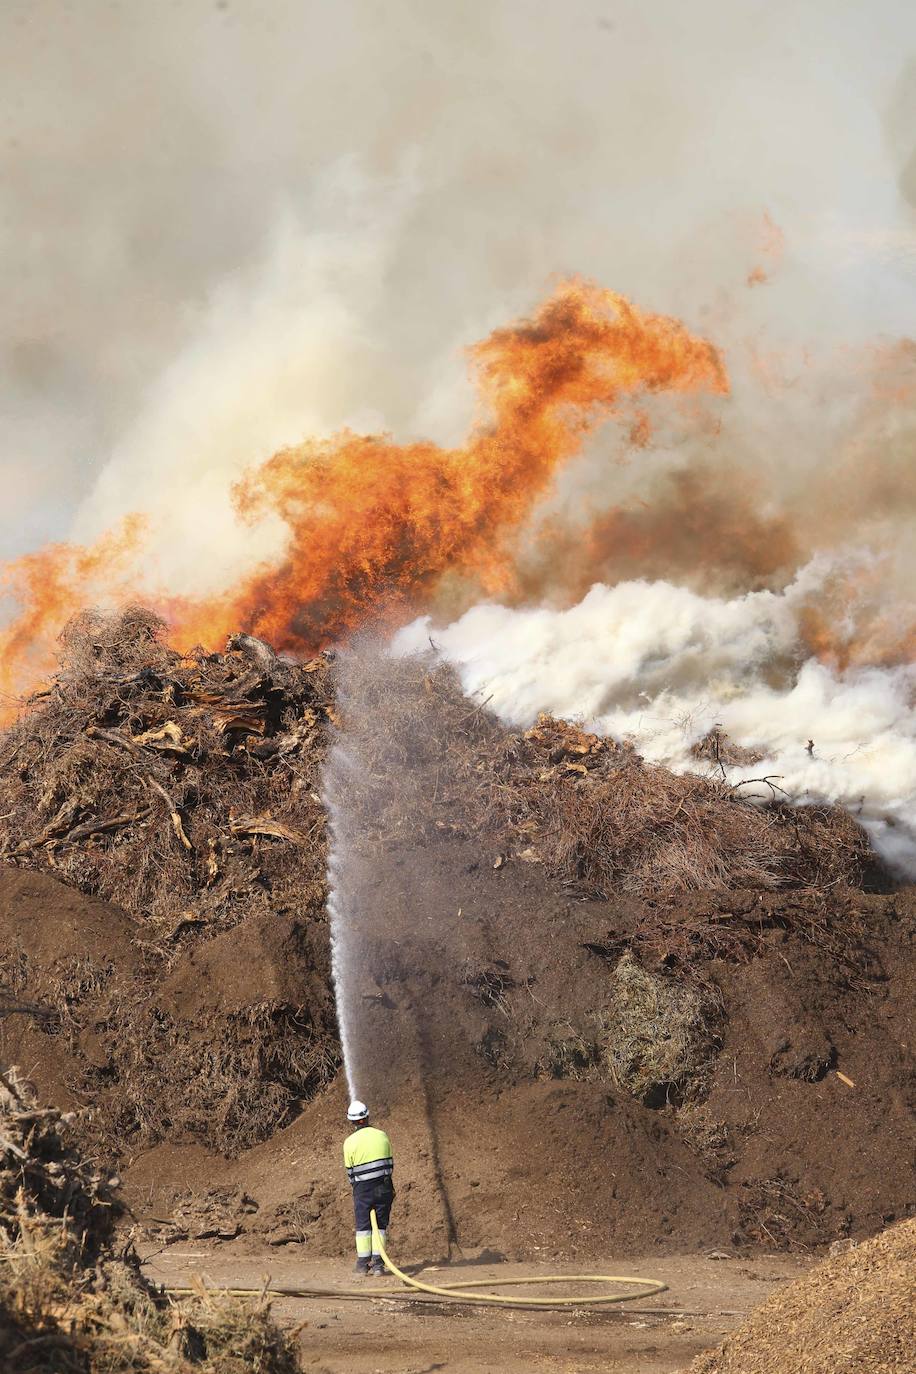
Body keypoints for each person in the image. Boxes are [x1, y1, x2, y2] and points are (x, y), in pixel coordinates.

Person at [343, 1099, 394, 1276]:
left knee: (363, 1227)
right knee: (380, 1226)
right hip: (384, 1186)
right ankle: (379, 1265)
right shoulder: (382, 1135)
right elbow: (389, 1164)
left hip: (362, 1189)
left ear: (351, 1121)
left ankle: (363, 1265)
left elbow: (350, 1173)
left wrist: (359, 1187)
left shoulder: (349, 1142)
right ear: (367, 1116)